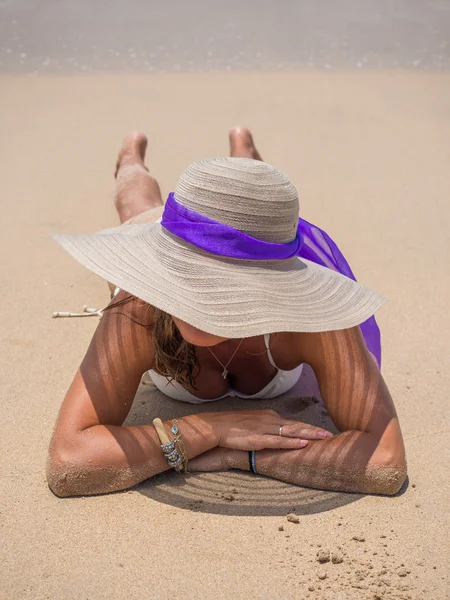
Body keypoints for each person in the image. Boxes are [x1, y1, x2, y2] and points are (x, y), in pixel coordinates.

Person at [47, 127, 406, 497]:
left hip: (245, 241)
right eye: (193, 272)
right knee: (137, 207)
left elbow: (385, 459)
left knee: (251, 202)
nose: (204, 296)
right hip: (175, 231)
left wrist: (238, 456)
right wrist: (208, 431)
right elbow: (68, 461)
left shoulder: (313, 320)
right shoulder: (138, 310)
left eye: (225, 281)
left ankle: (244, 156)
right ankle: (131, 160)